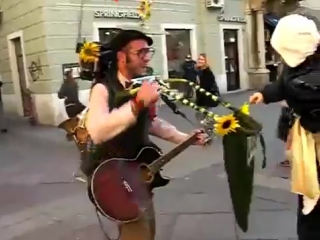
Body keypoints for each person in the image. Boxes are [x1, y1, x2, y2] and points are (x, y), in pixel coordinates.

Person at [83, 30, 207, 240]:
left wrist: (186, 138)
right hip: (112, 176)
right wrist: (137, 103)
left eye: (148, 52)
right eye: (141, 52)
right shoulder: (102, 89)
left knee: (147, 229)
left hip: (136, 172)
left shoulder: (140, 84)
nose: (147, 57)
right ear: (122, 57)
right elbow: (97, 131)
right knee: (138, 231)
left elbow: (151, 123)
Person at [249, 14, 320, 240]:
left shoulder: (312, 74)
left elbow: (297, 89)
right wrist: (265, 93)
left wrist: (283, 94)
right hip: (308, 136)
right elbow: (283, 84)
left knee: (314, 200)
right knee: (309, 196)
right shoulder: (299, 64)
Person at [58, 70, 86, 182]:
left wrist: (62, 93)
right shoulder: (74, 84)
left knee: (76, 121)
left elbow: (60, 96)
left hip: (69, 106)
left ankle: (74, 133)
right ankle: (77, 132)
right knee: (84, 114)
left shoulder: (65, 84)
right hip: (77, 105)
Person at [195, 53, 220, 121]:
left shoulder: (208, 73)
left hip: (208, 101)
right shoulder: (199, 71)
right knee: (200, 119)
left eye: (202, 59)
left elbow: (208, 87)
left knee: (207, 122)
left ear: (205, 61)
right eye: (199, 59)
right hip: (201, 100)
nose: (200, 61)